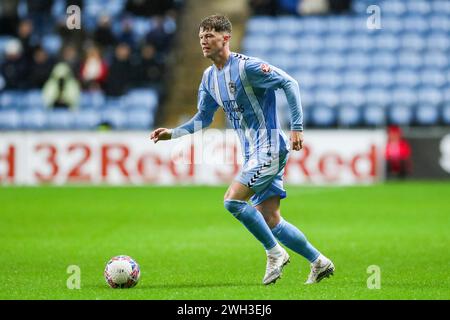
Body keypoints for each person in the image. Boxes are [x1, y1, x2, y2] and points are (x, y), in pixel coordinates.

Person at [150, 14, 334, 285]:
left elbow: (289, 83)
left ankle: (274, 253)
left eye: (209, 36)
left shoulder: (248, 68)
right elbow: (203, 117)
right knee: (271, 220)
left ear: (225, 38)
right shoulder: (209, 78)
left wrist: (297, 126)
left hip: (270, 146)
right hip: (253, 152)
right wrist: (173, 133)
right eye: (201, 37)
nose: (203, 41)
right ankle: (319, 262)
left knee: (233, 201)